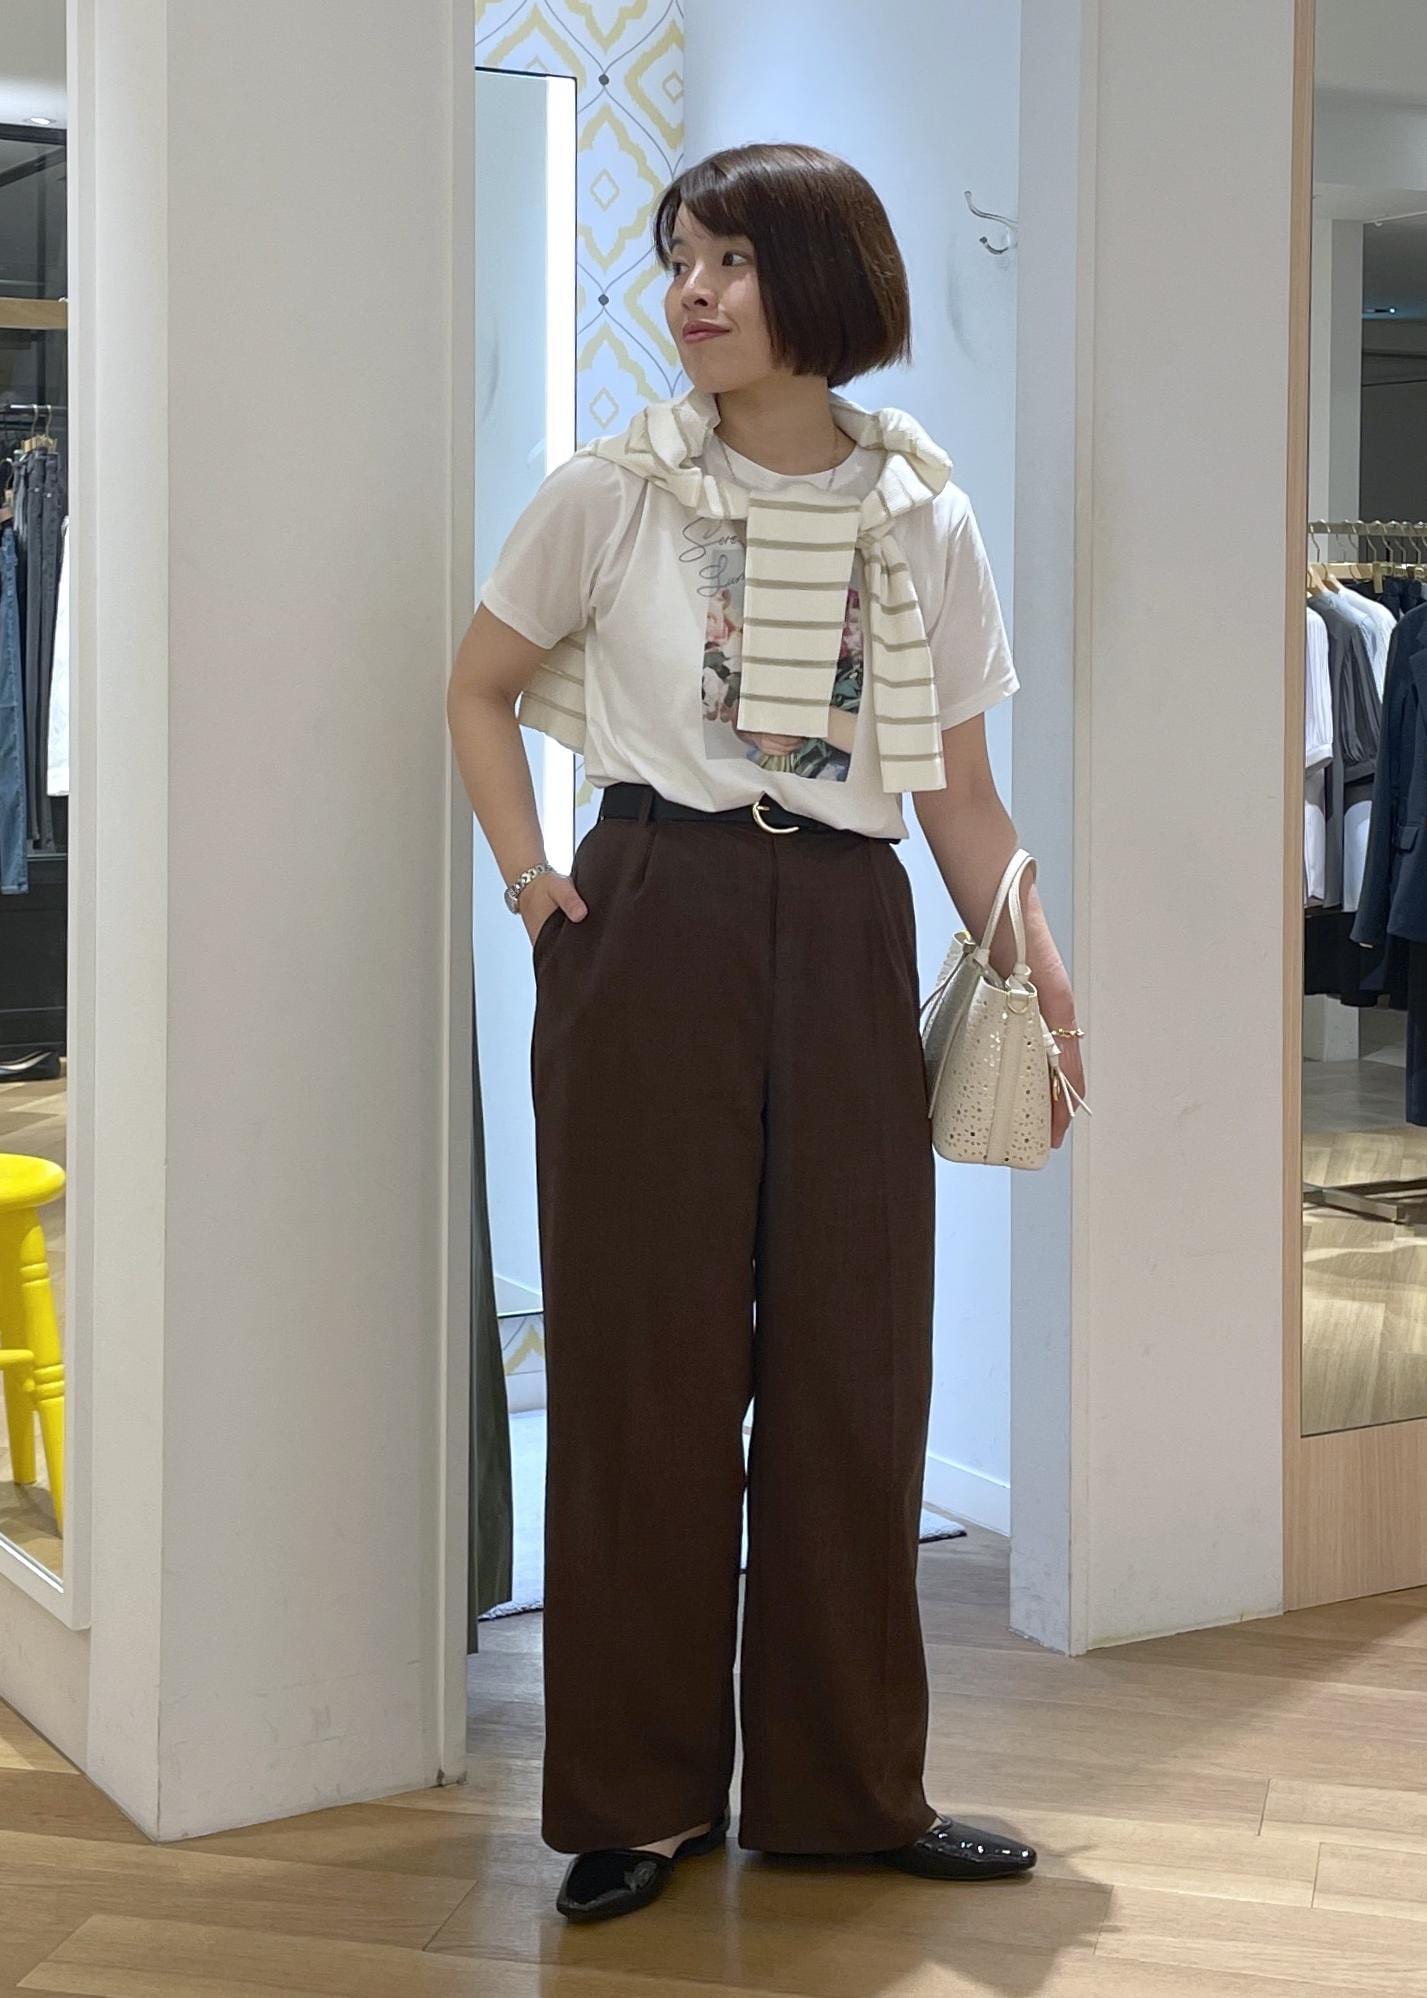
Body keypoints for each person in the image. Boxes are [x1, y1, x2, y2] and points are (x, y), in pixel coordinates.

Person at [446, 141, 1084, 1925]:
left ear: (824, 280)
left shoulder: (923, 513)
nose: (694, 292)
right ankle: (635, 1798)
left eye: (731, 258)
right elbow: (478, 687)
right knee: (645, 1364)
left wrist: (1039, 966)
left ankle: (849, 1789)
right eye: (681, 258)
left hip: (852, 921)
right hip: (652, 911)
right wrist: (536, 883)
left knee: (855, 1361)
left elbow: (959, 793)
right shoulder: (616, 491)